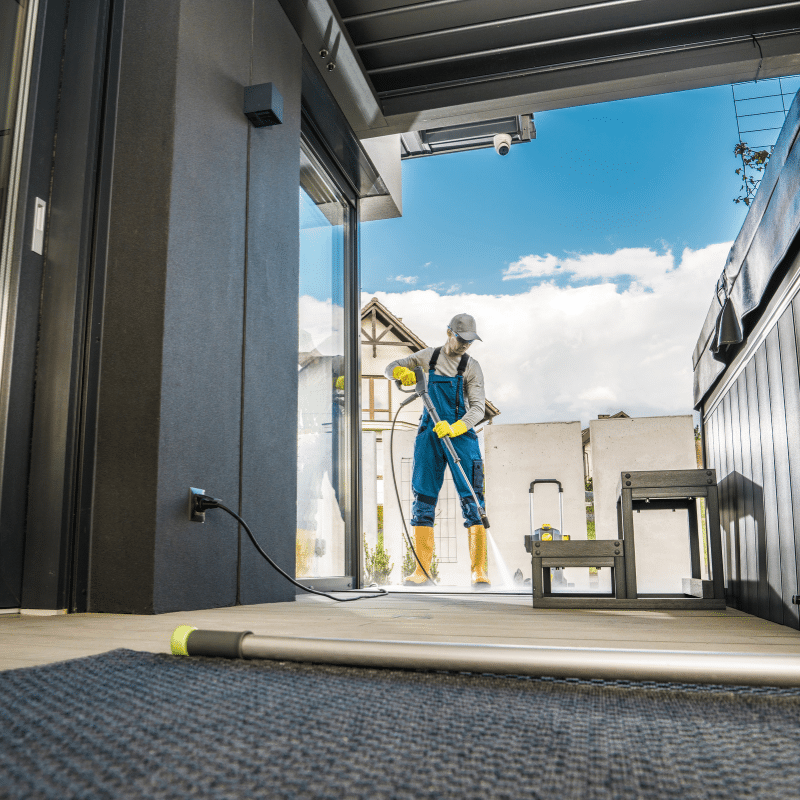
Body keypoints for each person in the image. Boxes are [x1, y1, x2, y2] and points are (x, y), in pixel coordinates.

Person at [385, 313, 490, 588]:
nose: (466, 345)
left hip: (461, 437)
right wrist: (400, 371)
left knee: (474, 501)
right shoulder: (427, 357)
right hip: (429, 435)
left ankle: (479, 571)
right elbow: (389, 367)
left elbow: (478, 407)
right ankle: (422, 571)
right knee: (423, 500)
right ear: (449, 332)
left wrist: (456, 428)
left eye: (470, 341)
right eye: (461, 338)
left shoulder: (471, 366)